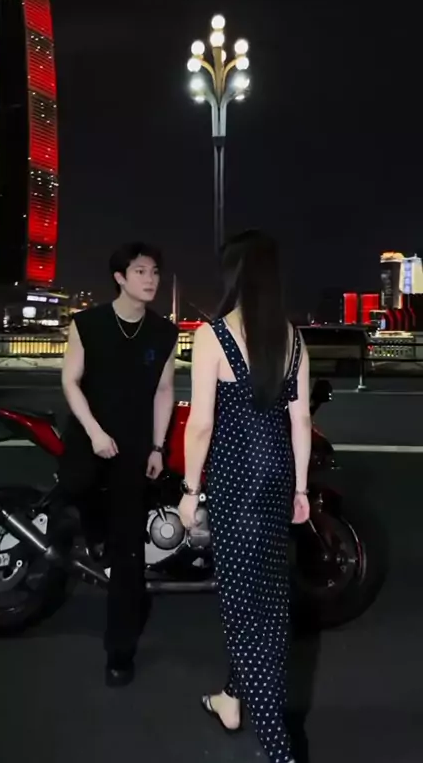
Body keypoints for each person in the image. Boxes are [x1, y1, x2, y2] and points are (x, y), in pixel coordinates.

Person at [179, 230, 311, 763]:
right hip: (277, 477)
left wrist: (190, 490)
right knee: (269, 599)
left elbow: (200, 425)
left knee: (241, 608)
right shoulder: (292, 339)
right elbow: (300, 420)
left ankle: (278, 747)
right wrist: (301, 488)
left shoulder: (213, 337)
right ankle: (231, 701)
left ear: (233, 275)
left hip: (235, 481)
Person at [60, 242, 178, 687]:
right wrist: (94, 432)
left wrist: (157, 447)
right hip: (88, 436)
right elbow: (70, 381)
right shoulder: (87, 323)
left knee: (129, 552)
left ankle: (120, 651)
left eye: (155, 271)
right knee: (75, 485)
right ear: (120, 278)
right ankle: (94, 536)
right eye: (141, 271)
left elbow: (164, 391)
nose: (150, 279)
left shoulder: (164, 333)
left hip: (134, 447)